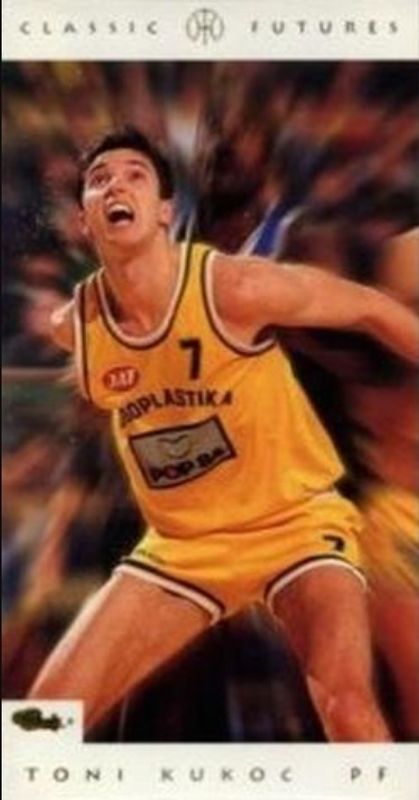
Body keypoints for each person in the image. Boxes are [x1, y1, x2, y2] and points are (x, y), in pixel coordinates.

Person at [29, 127, 418, 741]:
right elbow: (108, 413)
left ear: (165, 211)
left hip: (294, 525)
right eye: (100, 180)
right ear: (84, 218)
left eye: (134, 174)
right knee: (38, 722)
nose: (115, 186)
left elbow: (371, 307)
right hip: (184, 547)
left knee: (345, 702)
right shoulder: (74, 327)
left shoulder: (235, 288)